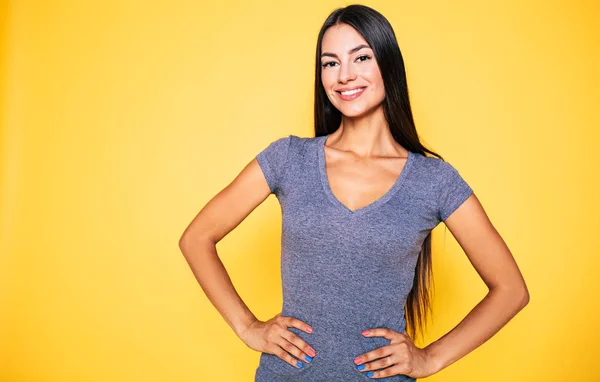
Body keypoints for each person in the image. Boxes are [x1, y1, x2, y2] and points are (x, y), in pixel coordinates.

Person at [178, 4, 529, 381]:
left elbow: (511, 290)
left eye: (361, 57)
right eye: (330, 63)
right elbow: (196, 238)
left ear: (388, 64)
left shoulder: (433, 180)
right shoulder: (289, 159)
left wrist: (429, 358)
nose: (344, 76)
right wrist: (248, 327)